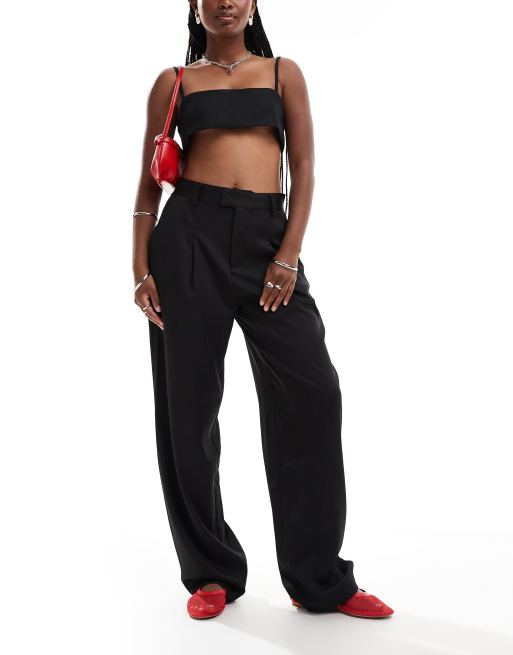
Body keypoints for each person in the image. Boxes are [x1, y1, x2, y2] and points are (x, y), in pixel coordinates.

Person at [132, 0, 394, 621]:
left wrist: (288, 255)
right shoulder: (174, 81)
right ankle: (211, 571)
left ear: (252, 4)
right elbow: (147, 185)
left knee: (313, 393)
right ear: (194, 5)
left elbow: (302, 167)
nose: (225, 2)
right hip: (187, 241)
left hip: (266, 242)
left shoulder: (283, 73)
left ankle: (318, 578)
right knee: (188, 409)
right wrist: (140, 267)